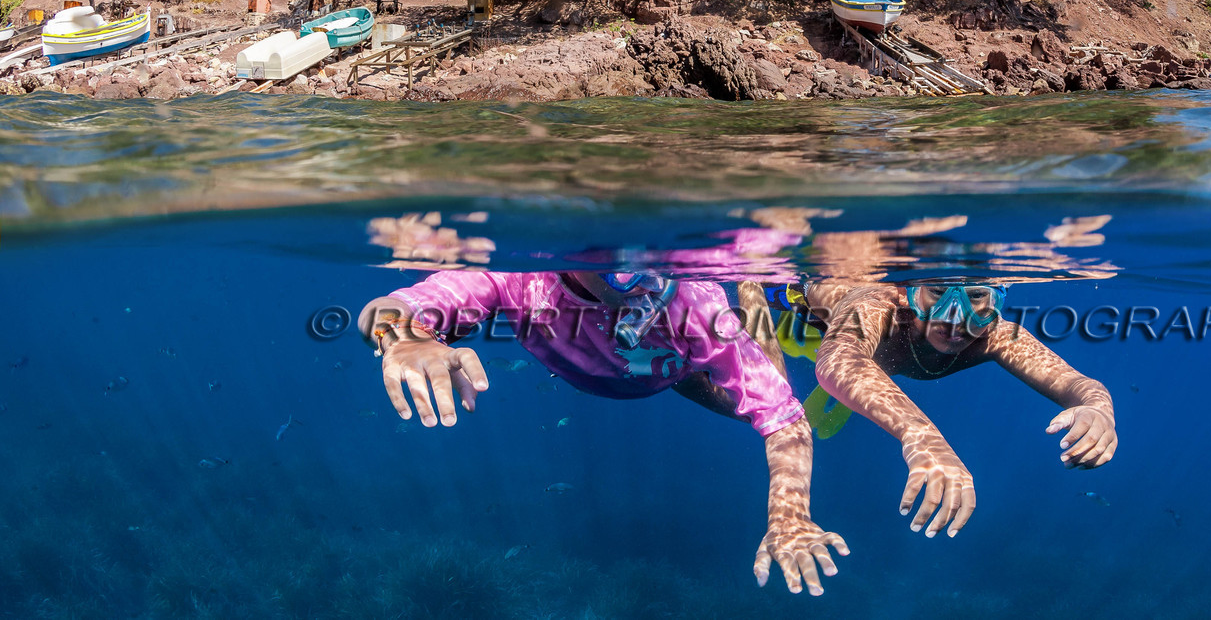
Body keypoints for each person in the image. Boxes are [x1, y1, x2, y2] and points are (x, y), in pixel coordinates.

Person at [357, 229, 847, 596]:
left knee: (770, 394)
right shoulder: (519, 273)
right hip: (650, 367)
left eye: (664, 262)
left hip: (676, 371)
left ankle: (750, 284)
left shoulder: (692, 306)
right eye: (626, 269)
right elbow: (390, 307)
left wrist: (790, 517)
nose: (649, 285)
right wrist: (407, 338)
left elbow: (785, 419)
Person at [742, 211, 1118, 541]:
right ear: (910, 293)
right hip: (802, 315)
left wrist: (1099, 409)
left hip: (858, 356)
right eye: (936, 292)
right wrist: (921, 437)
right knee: (775, 387)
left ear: (998, 300)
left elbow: (1080, 386)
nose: (954, 317)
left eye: (975, 298)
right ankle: (750, 276)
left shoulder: (998, 335)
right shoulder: (878, 305)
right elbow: (839, 359)